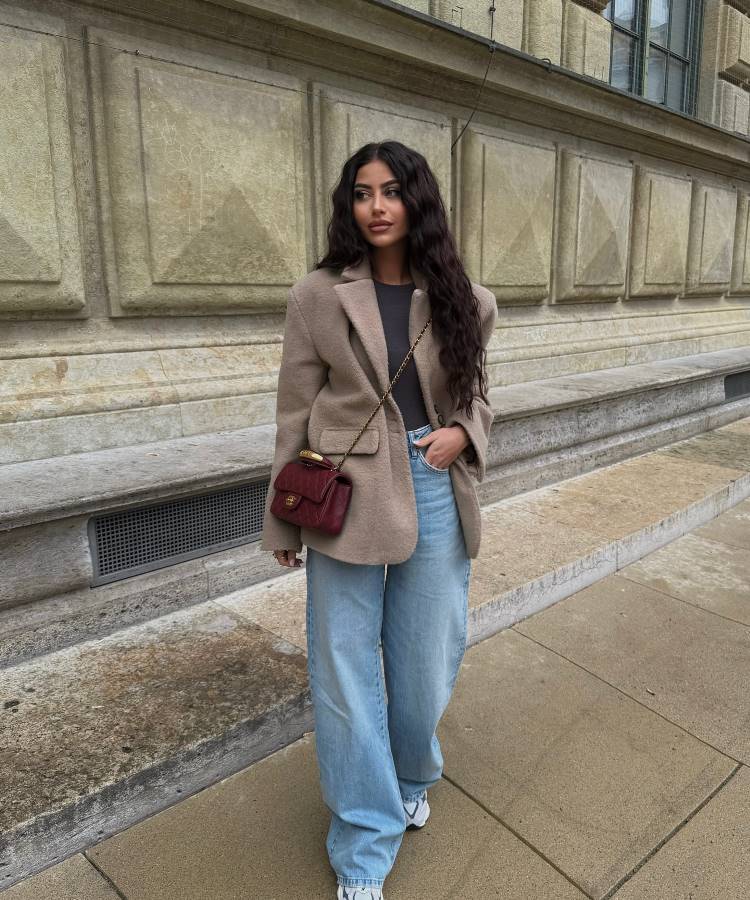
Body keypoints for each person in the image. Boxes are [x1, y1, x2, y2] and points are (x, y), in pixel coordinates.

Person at [259, 140, 497, 900]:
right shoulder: (317, 296)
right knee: (344, 670)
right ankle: (365, 839)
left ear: (417, 200)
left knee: (428, 661)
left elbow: (480, 393)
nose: (377, 206)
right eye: (362, 193)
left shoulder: (468, 297)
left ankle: (411, 772)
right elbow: (293, 413)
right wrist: (282, 521)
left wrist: (464, 434)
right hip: (345, 494)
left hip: (431, 482)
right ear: (348, 206)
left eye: (392, 191)